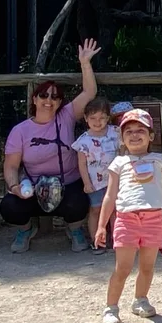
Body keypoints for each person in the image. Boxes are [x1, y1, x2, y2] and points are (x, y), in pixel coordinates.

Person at [0, 39, 101, 253]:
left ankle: (73, 229)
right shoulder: (20, 131)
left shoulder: (66, 116)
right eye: (44, 95)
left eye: (55, 97)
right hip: (34, 186)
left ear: (60, 103)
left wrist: (84, 63)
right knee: (9, 206)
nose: (49, 100)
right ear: (34, 99)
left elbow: (90, 93)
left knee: (80, 201)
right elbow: (10, 166)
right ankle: (25, 230)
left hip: (67, 184)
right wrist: (14, 186)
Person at [95, 108, 162, 323]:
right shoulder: (118, 163)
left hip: (154, 220)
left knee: (147, 267)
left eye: (140, 131)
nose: (134, 135)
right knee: (123, 268)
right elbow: (110, 196)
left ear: (151, 136)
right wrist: (101, 226)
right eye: (129, 132)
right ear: (122, 137)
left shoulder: (160, 160)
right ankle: (111, 308)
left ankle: (140, 299)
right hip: (126, 221)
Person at [72, 97, 120, 256]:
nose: (97, 122)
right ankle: (96, 241)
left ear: (108, 117)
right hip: (94, 182)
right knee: (95, 209)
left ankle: (116, 240)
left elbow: (124, 152)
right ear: (86, 118)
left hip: (116, 181)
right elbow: (82, 164)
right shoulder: (83, 141)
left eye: (101, 118)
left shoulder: (116, 132)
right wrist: (86, 183)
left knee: (115, 210)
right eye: (93, 118)